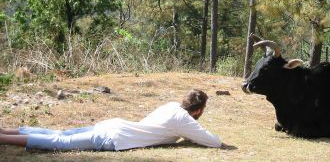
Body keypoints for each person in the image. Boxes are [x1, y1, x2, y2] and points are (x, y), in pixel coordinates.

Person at [0, 89, 221, 151]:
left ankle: (5, 131)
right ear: (198, 111)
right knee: (61, 142)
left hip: (115, 125)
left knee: (61, 133)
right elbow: (214, 141)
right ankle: (4, 139)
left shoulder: (171, 106)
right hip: (115, 137)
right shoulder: (184, 119)